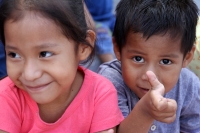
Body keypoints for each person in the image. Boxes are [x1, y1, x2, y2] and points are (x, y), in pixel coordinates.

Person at [0, 0, 124, 132]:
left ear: (84, 47)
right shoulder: (6, 96)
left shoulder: (99, 93)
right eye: (14, 55)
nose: (29, 75)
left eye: (45, 54)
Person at [98, 0, 200, 132]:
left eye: (165, 61)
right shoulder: (109, 83)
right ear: (117, 49)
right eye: (138, 58)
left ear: (187, 57)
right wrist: (145, 111)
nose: (149, 75)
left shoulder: (188, 85)